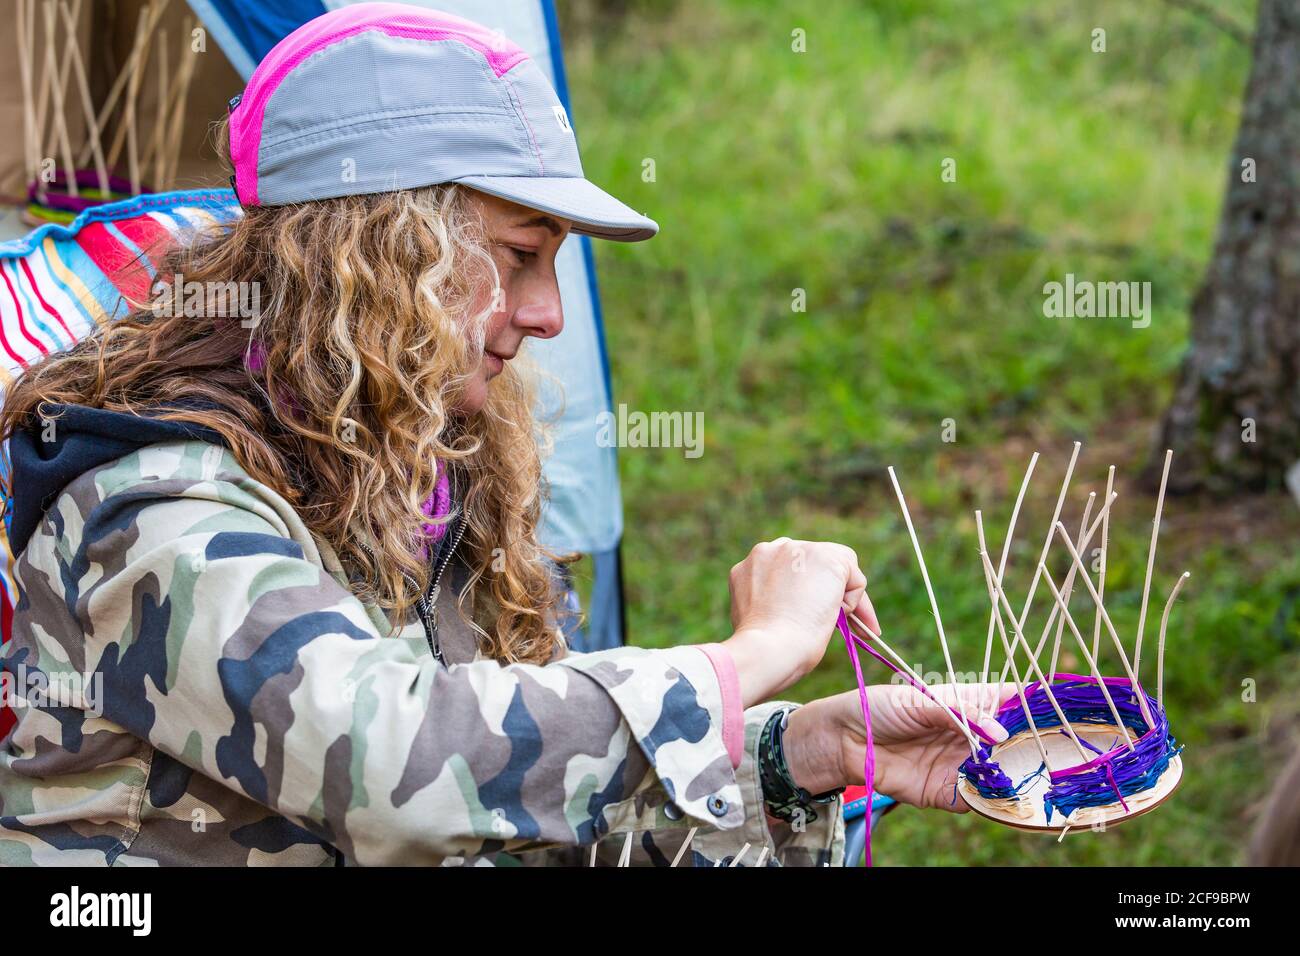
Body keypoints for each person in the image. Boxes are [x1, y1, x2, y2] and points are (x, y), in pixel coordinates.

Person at [0, 3, 1005, 867]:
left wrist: (803, 753)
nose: (548, 314)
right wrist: (750, 656)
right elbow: (392, 767)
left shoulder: (415, 457)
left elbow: (499, 797)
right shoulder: (148, 499)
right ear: (379, 252)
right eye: (520, 255)